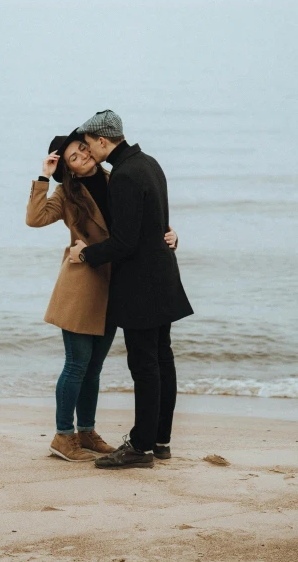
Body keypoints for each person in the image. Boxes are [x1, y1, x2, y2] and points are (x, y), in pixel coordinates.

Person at [26, 130, 179, 463]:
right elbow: (35, 219)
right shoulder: (67, 194)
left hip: (116, 286)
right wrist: (45, 177)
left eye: (82, 148)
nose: (82, 156)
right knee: (77, 365)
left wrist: (168, 234)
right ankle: (63, 435)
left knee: (94, 369)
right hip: (82, 285)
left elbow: (138, 223)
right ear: (67, 168)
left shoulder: (117, 178)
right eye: (72, 158)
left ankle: (87, 432)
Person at [69, 110, 194, 470]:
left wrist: (85, 254)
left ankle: (140, 448)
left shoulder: (124, 175)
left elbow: (124, 243)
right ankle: (160, 440)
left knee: (145, 365)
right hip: (164, 278)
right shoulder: (150, 163)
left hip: (141, 285)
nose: (89, 151)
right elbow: (155, 222)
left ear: (104, 140)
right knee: (162, 359)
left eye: (90, 143)